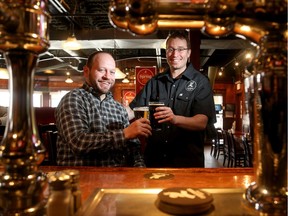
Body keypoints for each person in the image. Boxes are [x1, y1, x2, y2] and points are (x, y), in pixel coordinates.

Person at [129, 31, 216, 167]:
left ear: (188, 53)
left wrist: (174, 119)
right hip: (155, 160)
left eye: (181, 49)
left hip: (187, 162)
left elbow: (202, 122)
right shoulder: (155, 81)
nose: (175, 54)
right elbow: (131, 109)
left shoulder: (201, 82)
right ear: (166, 52)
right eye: (171, 49)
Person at [55, 51, 152, 167]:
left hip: (118, 179)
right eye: (101, 70)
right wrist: (125, 133)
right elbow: (79, 143)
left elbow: (133, 149)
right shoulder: (73, 99)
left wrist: (140, 171)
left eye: (112, 72)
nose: (107, 76)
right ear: (86, 71)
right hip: (83, 178)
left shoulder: (118, 108)